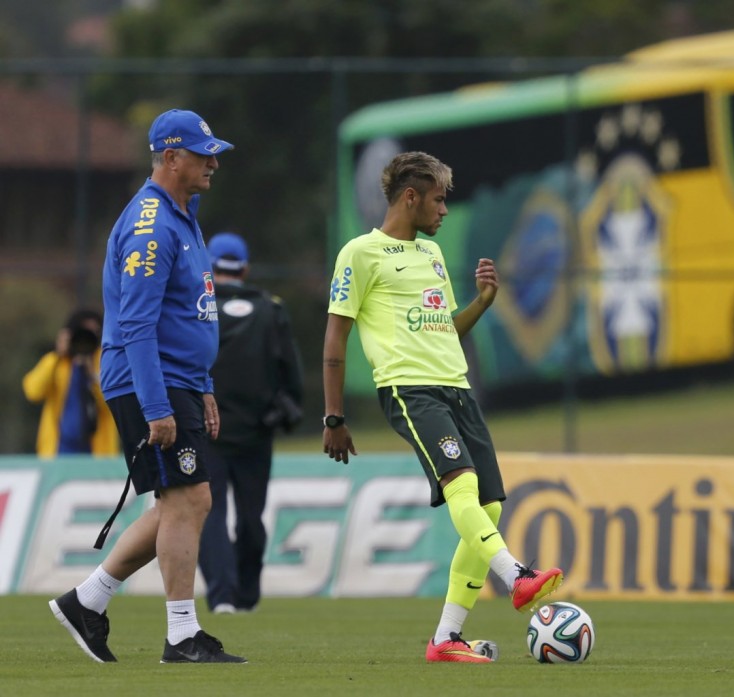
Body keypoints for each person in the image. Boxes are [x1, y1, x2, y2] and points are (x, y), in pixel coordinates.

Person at [322, 151, 564, 663]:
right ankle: (517, 577)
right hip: (410, 390)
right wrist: (334, 417)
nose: (445, 210)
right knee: (463, 485)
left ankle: (447, 639)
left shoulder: (432, 256)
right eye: (439, 199)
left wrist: (480, 303)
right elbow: (335, 340)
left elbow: (444, 330)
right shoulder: (360, 253)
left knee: (490, 505)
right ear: (410, 198)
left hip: (456, 387)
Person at [48, 109, 246, 664]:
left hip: (178, 380)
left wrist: (203, 386)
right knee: (191, 498)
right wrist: (158, 405)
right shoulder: (151, 226)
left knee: (179, 501)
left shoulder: (183, 213)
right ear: (171, 157)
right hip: (148, 381)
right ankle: (181, 637)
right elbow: (135, 325)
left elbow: (190, 314)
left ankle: (88, 601)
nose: (214, 162)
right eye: (204, 153)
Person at [198, 231, 304, 615]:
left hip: (207, 432)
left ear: (210, 265)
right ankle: (247, 597)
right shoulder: (271, 309)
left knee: (209, 516)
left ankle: (222, 597)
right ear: (245, 268)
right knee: (251, 517)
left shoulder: (199, 306)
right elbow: (291, 374)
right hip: (257, 433)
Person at [22, 308, 120, 458]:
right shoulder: (57, 362)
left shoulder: (104, 361)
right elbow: (33, 392)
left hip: (98, 453)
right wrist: (57, 356)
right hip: (58, 450)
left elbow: (113, 403)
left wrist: (92, 374)